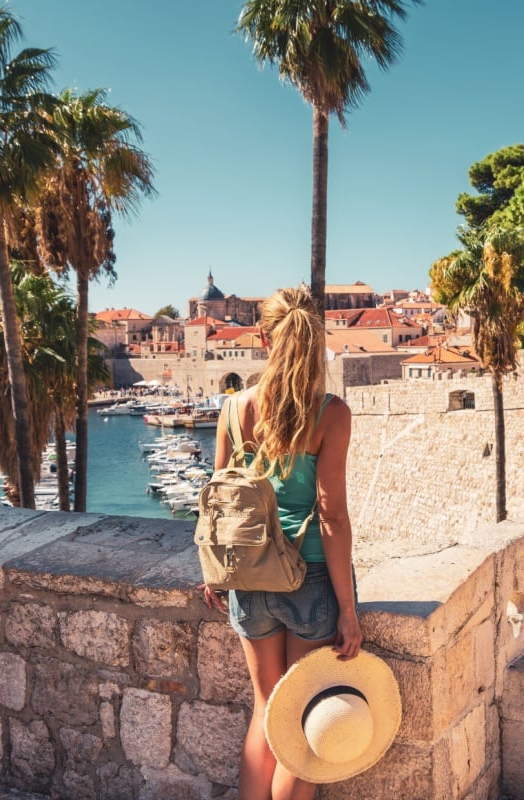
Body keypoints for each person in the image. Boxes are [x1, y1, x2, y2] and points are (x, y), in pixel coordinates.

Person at [201, 287, 362, 800]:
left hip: (248, 578)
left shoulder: (232, 409)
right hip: (309, 575)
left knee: (267, 709)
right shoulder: (330, 413)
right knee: (301, 719)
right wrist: (349, 608)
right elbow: (331, 515)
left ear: (264, 338)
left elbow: (220, 503)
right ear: (314, 343)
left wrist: (214, 572)